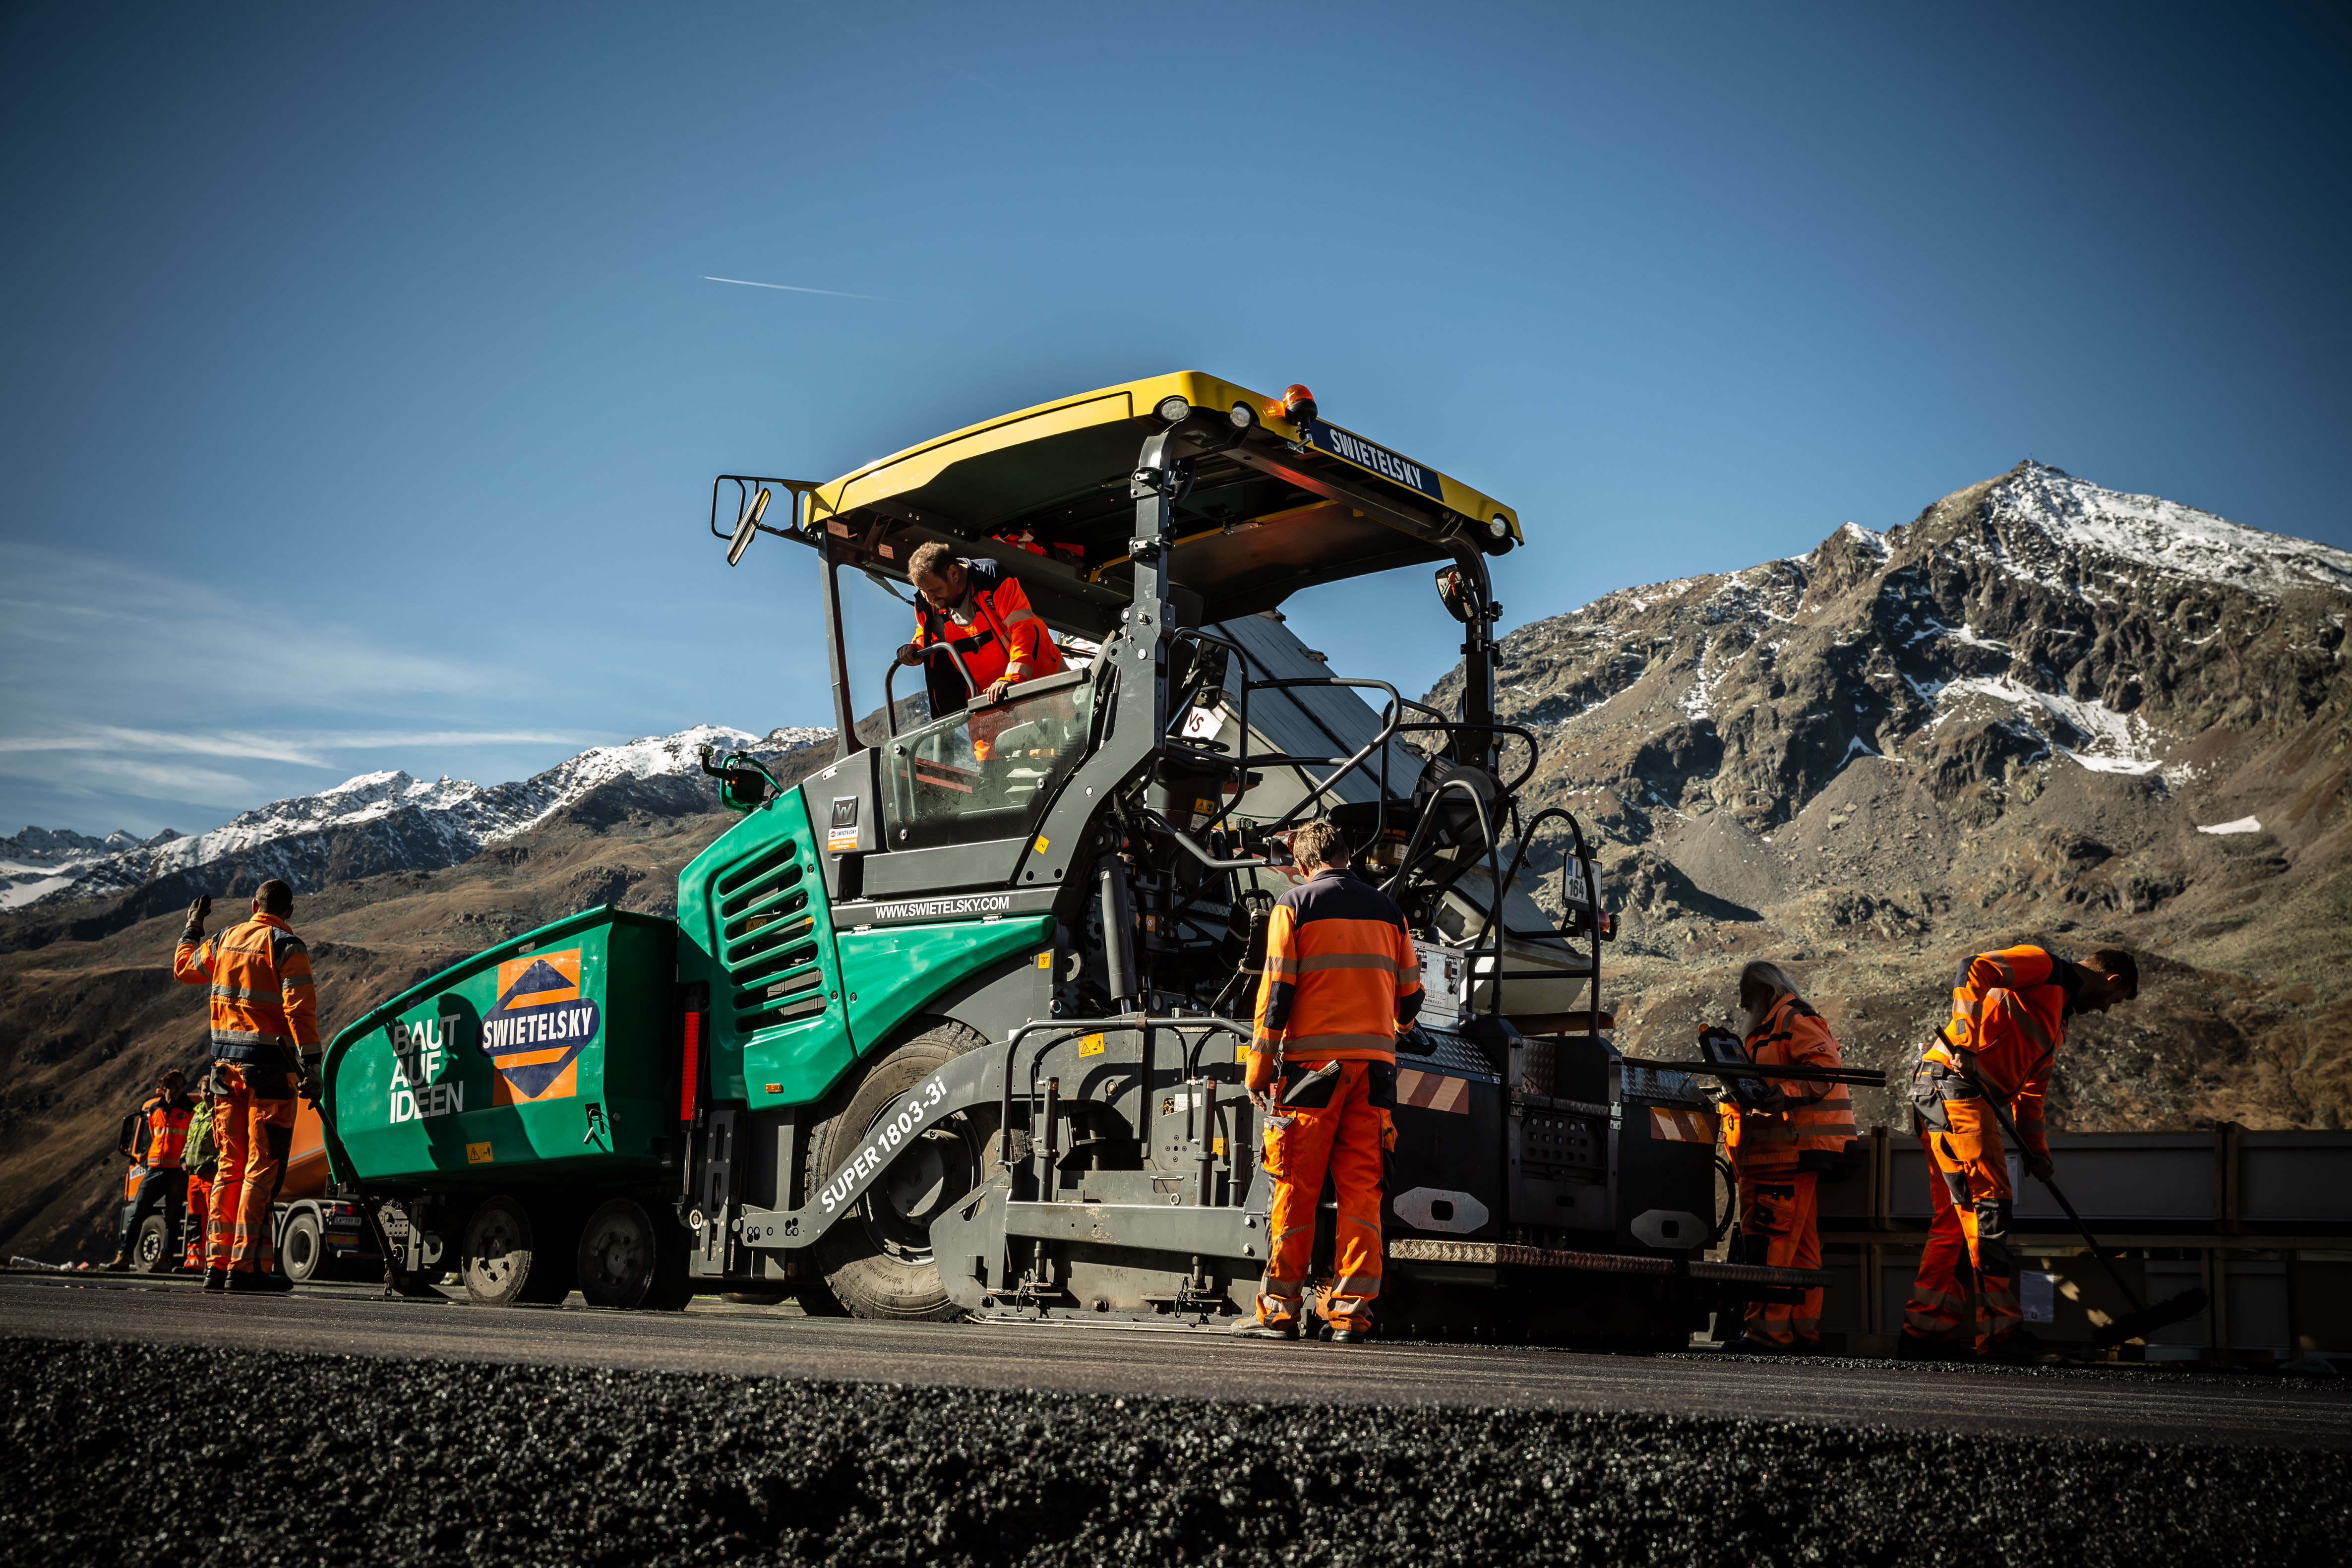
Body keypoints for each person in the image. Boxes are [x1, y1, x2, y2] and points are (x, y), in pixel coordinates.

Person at [1900, 943, 2139, 1362]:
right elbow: (1973, 968)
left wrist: (2037, 1152)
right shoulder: (2043, 966)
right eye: (2113, 1002)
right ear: (2111, 980)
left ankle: (1924, 1334)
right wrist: (1967, 1043)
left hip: (1951, 1094)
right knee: (1989, 1205)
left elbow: (2030, 1097)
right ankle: (1999, 1336)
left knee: (1958, 1221)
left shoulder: (2056, 1023)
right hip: (1953, 1087)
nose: (2105, 1010)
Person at [1231, 821, 1422, 1343]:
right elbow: (1411, 1000)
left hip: (1312, 1073)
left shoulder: (1294, 906)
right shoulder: (1391, 912)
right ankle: (1350, 1316)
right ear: (1345, 854)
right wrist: (1390, 1032)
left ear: (1304, 862)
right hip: (1375, 1073)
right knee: (1364, 1191)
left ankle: (1281, 1311)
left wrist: (1259, 1069)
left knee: (1296, 1187)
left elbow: (1276, 996)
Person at [172, 881, 320, 1293]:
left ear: (254, 905)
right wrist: (313, 1066)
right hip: (268, 1074)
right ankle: (245, 1268)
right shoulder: (287, 945)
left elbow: (185, 970)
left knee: (228, 1167)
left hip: (223, 1073)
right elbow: (300, 1011)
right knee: (260, 1169)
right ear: (289, 911)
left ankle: (216, 1266)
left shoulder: (224, 939)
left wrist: (193, 926)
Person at [1710, 963, 1856, 1353]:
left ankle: (1766, 1333)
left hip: (1787, 1152)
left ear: (1762, 991)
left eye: (1745, 994)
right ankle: (1800, 1333)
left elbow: (1826, 1070)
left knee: (1770, 1241)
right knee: (1800, 1248)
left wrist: (1786, 1093)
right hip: (1783, 1152)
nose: (1741, 1004)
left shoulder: (1793, 1018)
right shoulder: (1771, 1026)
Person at [894, 542, 1067, 747]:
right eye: (923, 592)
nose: (930, 598)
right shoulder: (930, 605)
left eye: (935, 589)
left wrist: (1013, 679)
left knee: (1062, 749)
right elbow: (928, 632)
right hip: (988, 700)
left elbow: (1024, 629)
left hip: (1040, 686)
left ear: (953, 573)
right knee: (990, 769)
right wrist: (917, 646)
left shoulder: (992, 578)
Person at [102, 1070, 194, 1271]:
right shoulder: (154, 1110)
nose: (178, 1089)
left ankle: (165, 1259)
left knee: (172, 1218)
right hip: (153, 1169)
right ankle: (125, 1256)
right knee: (138, 1213)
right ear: (165, 1087)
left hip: (177, 1171)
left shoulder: (190, 1110)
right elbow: (155, 1136)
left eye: (181, 1086)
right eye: (174, 1085)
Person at [180, 1067, 223, 1272]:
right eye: (205, 1090)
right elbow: (190, 1140)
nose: (208, 1094)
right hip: (193, 1176)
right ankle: (193, 1262)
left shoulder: (219, 1111)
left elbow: (223, 1142)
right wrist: (183, 1158)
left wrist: (215, 1163)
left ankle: (212, 1262)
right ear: (200, 1091)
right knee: (195, 1221)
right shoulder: (197, 1112)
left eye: (210, 1090)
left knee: (213, 1220)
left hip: (209, 1174)